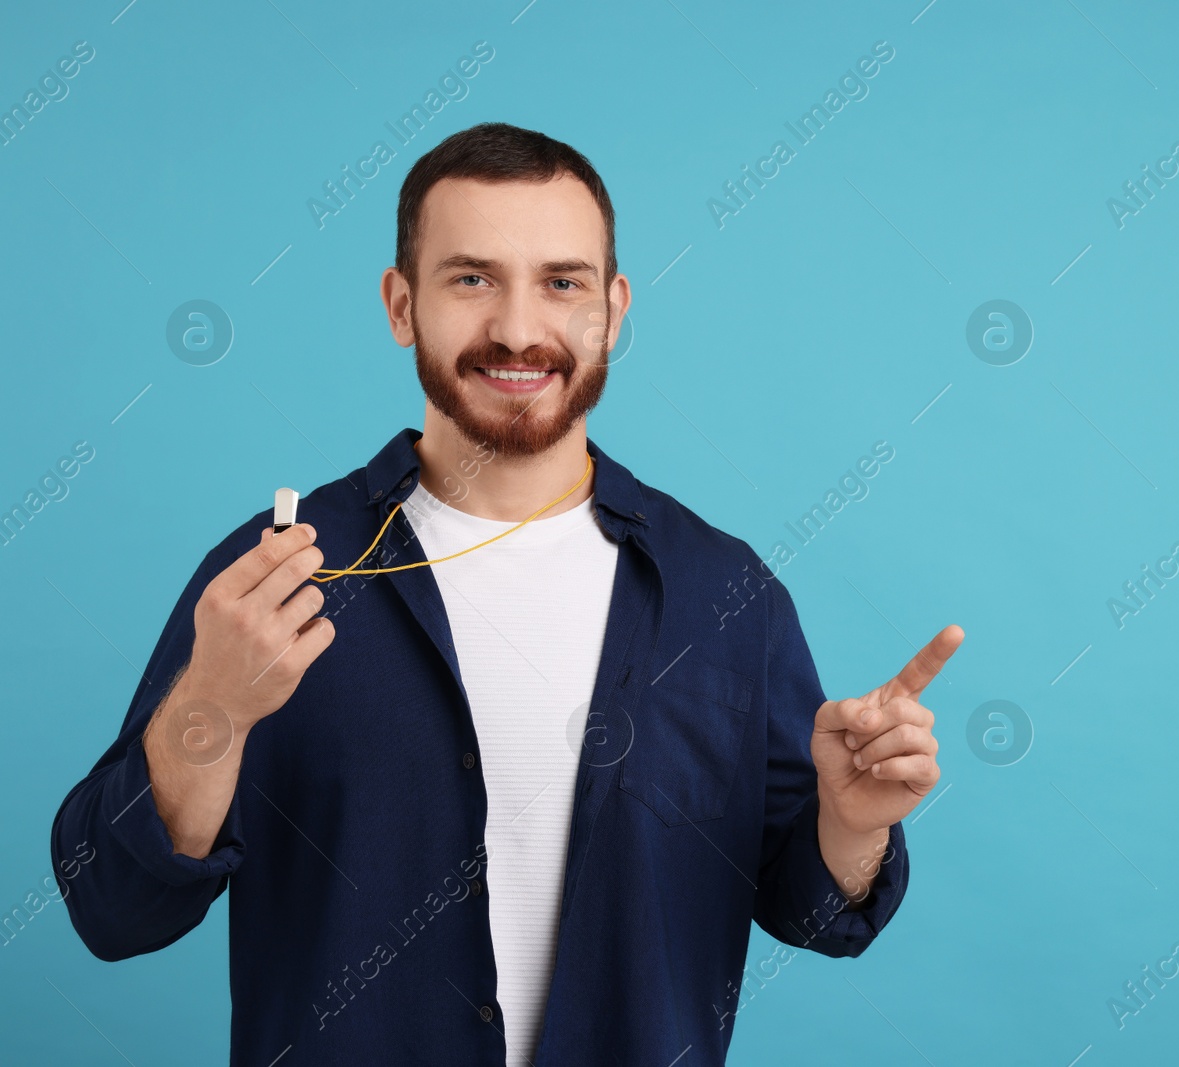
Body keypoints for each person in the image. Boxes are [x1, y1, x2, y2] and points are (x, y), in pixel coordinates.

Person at [51, 122, 962, 1066]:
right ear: (402, 305)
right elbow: (113, 909)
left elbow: (812, 911)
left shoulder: (726, 594)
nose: (520, 330)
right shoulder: (275, 574)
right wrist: (210, 709)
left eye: (561, 283)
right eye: (471, 278)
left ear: (611, 309)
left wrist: (851, 824)